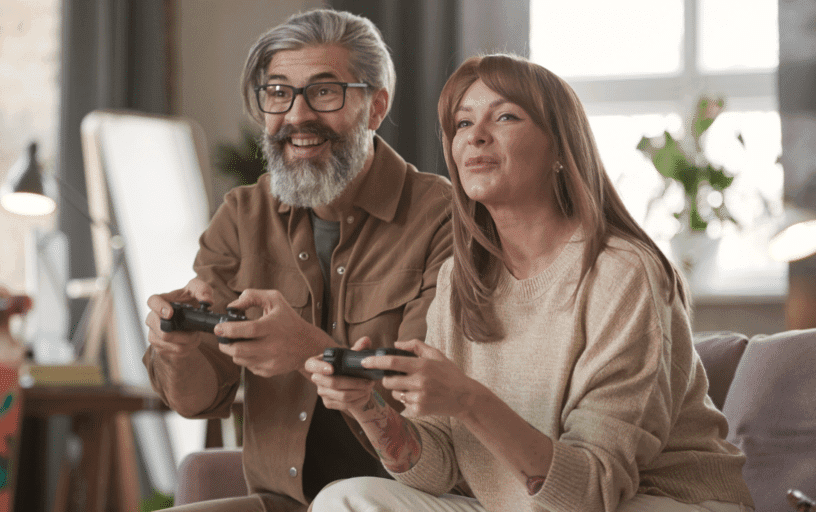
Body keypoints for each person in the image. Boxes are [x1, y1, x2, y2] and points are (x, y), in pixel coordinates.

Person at [306, 54, 755, 512]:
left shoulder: (621, 273)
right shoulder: (459, 279)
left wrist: (467, 399)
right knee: (344, 500)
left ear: (560, 148)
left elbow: (592, 488)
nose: (476, 135)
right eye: (463, 123)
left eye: (505, 117)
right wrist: (366, 406)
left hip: (651, 501)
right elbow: (439, 468)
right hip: (523, 505)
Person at [142, 9, 453, 512]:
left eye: (324, 92)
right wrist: (176, 349)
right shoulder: (242, 216)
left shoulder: (441, 218)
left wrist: (308, 350)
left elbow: (430, 411)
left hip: (397, 501)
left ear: (375, 107)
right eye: (278, 92)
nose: (296, 115)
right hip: (281, 501)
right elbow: (198, 399)